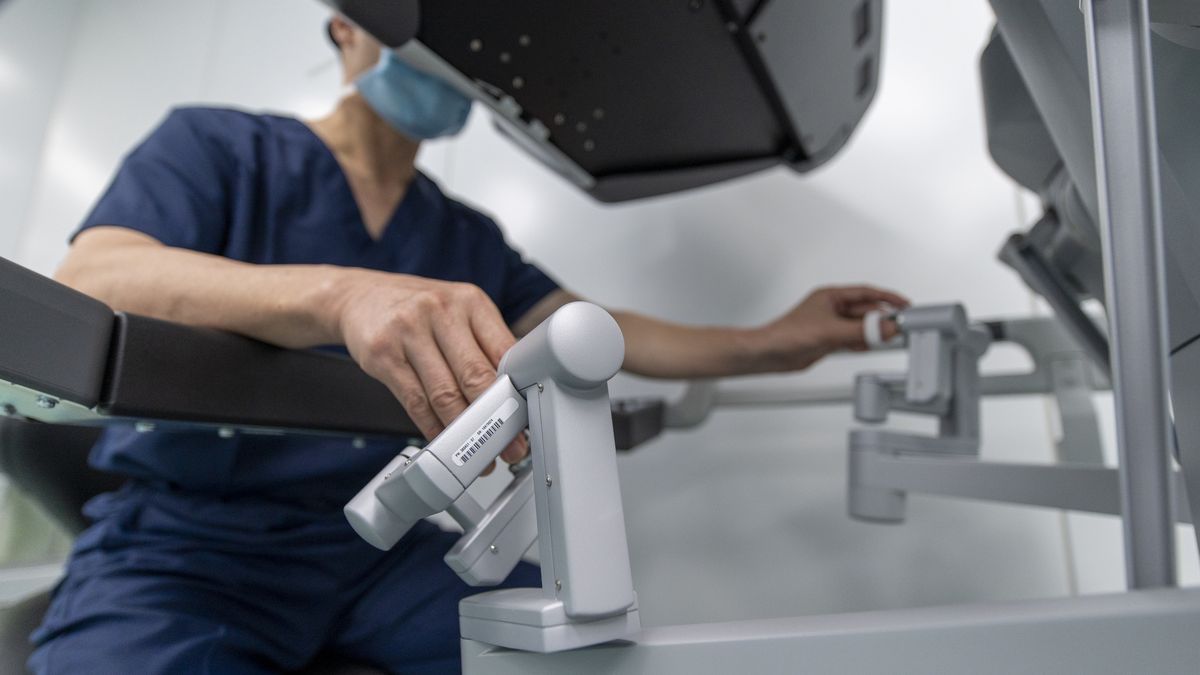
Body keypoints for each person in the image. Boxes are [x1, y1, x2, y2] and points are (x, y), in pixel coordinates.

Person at [28, 15, 908, 675]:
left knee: (579, 655)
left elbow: (594, 332)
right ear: (347, 28)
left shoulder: (463, 237)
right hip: (185, 548)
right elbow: (96, 277)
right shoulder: (220, 148)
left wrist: (772, 341)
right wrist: (341, 295)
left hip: (369, 554)